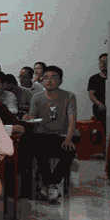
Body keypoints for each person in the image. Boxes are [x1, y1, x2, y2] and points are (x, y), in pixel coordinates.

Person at [26, 65, 77, 201]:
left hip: (62, 135)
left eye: (53, 77)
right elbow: (32, 118)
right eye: (46, 78)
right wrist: (28, 118)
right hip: (42, 135)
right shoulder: (36, 97)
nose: (49, 81)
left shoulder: (69, 96)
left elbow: (72, 120)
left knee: (69, 150)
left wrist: (68, 138)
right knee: (37, 148)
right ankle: (52, 185)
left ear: (60, 80)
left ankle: (50, 183)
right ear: (42, 80)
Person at [88, 52, 107, 122]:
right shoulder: (94, 78)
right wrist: (99, 104)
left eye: (106, 62)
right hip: (100, 110)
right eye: (101, 62)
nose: (103, 64)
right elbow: (91, 94)